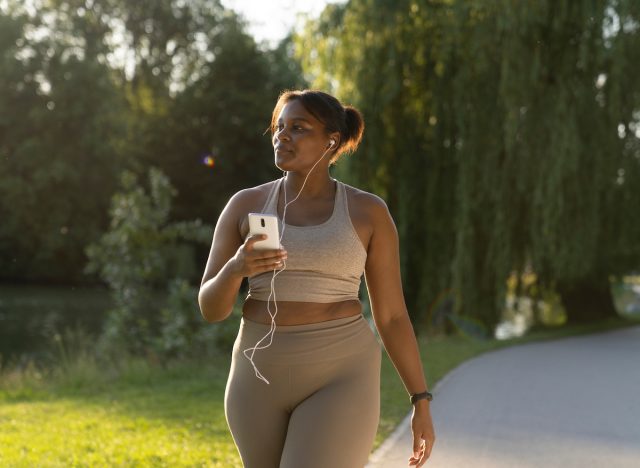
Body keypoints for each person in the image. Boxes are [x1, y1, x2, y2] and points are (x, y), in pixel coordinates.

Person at [198, 89, 435, 468]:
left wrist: (420, 400)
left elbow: (391, 317)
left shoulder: (367, 212)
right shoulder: (244, 205)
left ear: (331, 141)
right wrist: (236, 268)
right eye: (279, 127)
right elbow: (211, 308)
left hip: (340, 374)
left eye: (298, 128)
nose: (282, 136)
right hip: (256, 376)